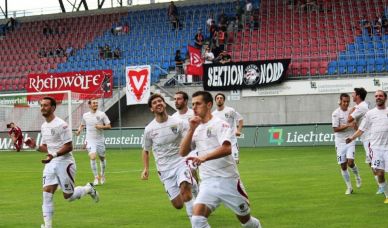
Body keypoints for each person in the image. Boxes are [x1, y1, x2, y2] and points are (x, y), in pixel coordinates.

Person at [180, 91, 261, 228]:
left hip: (228, 181)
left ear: (209, 105)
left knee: (247, 222)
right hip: (208, 182)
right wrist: (191, 130)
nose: (194, 107)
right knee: (197, 220)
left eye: (198, 104)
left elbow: (227, 148)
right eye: (192, 104)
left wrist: (204, 157)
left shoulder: (220, 124)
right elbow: (182, 152)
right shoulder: (196, 129)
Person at [25, 97, 99, 228]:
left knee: (68, 196)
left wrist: (53, 155)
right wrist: (35, 146)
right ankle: (48, 226)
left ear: (53, 108)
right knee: (46, 194)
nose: (42, 107)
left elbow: (69, 146)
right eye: (41, 105)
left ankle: (88, 189)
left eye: (46, 105)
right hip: (50, 163)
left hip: (65, 163)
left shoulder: (61, 124)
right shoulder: (43, 126)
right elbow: (46, 147)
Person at [141, 93, 197, 222]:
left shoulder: (179, 122)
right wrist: (145, 168)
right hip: (164, 169)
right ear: (151, 109)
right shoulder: (149, 129)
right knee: (178, 204)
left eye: (160, 101)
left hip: (180, 162)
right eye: (154, 103)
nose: (158, 103)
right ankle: (193, 184)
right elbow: (145, 150)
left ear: (164, 104)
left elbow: (190, 140)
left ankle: (196, 223)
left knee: (185, 191)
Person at [346, 90, 388, 203]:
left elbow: (350, 119)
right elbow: (361, 129)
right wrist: (352, 138)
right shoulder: (370, 113)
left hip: (382, 145)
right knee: (379, 171)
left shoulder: (386, 111)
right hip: (375, 147)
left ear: (385, 98)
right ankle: (386, 194)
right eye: (376, 96)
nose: (378, 97)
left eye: (380, 96)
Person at [76, 98, 111, 185]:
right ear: (89, 105)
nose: (96, 104)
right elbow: (82, 124)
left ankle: (102, 175)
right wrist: (79, 130)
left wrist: (101, 127)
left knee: (102, 158)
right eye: (94, 103)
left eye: (96, 103)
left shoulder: (102, 114)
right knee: (92, 157)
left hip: (100, 140)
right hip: (90, 139)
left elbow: (109, 126)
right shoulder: (85, 115)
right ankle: (96, 177)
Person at [332, 93, 361, 194]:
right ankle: (349, 187)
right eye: (344, 101)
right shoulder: (335, 113)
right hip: (340, 142)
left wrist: (355, 126)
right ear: (340, 101)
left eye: (348, 101)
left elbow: (356, 127)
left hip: (350, 140)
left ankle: (357, 176)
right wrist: (348, 125)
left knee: (350, 162)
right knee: (343, 166)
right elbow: (335, 129)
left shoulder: (352, 112)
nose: (346, 103)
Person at [212, 92, 243, 164]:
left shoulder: (230, 110)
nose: (219, 99)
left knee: (235, 162)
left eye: (221, 98)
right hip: (220, 143)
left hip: (232, 141)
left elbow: (240, 119)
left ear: (224, 100)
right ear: (215, 100)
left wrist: (238, 130)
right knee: (222, 163)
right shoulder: (213, 114)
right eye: (217, 98)